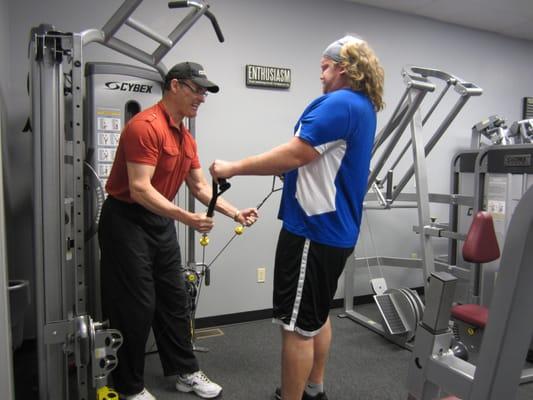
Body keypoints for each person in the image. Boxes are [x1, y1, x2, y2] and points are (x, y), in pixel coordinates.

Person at [209, 35, 385, 400]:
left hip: (312, 233)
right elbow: (321, 159)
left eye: (324, 67)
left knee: (295, 328)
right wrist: (294, 172)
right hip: (335, 232)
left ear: (344, 68)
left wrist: (232, 167)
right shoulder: (362, 106)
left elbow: (295, 154)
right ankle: (314, 388)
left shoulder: (338, 103)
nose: (320, 75)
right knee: (316, 318)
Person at [98, 61, 258, 400]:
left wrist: (234, 213)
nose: (202, 97)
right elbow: (140, 189)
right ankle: (128, 387)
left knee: (174, 299)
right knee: (136, 305)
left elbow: (200, 187)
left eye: (204, 92)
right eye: (196, 89)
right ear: (174, 86)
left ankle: (185, 371)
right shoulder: (145, 127)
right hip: (126, 221)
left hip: (159, 221)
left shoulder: (185, 137)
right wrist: (187, 218)